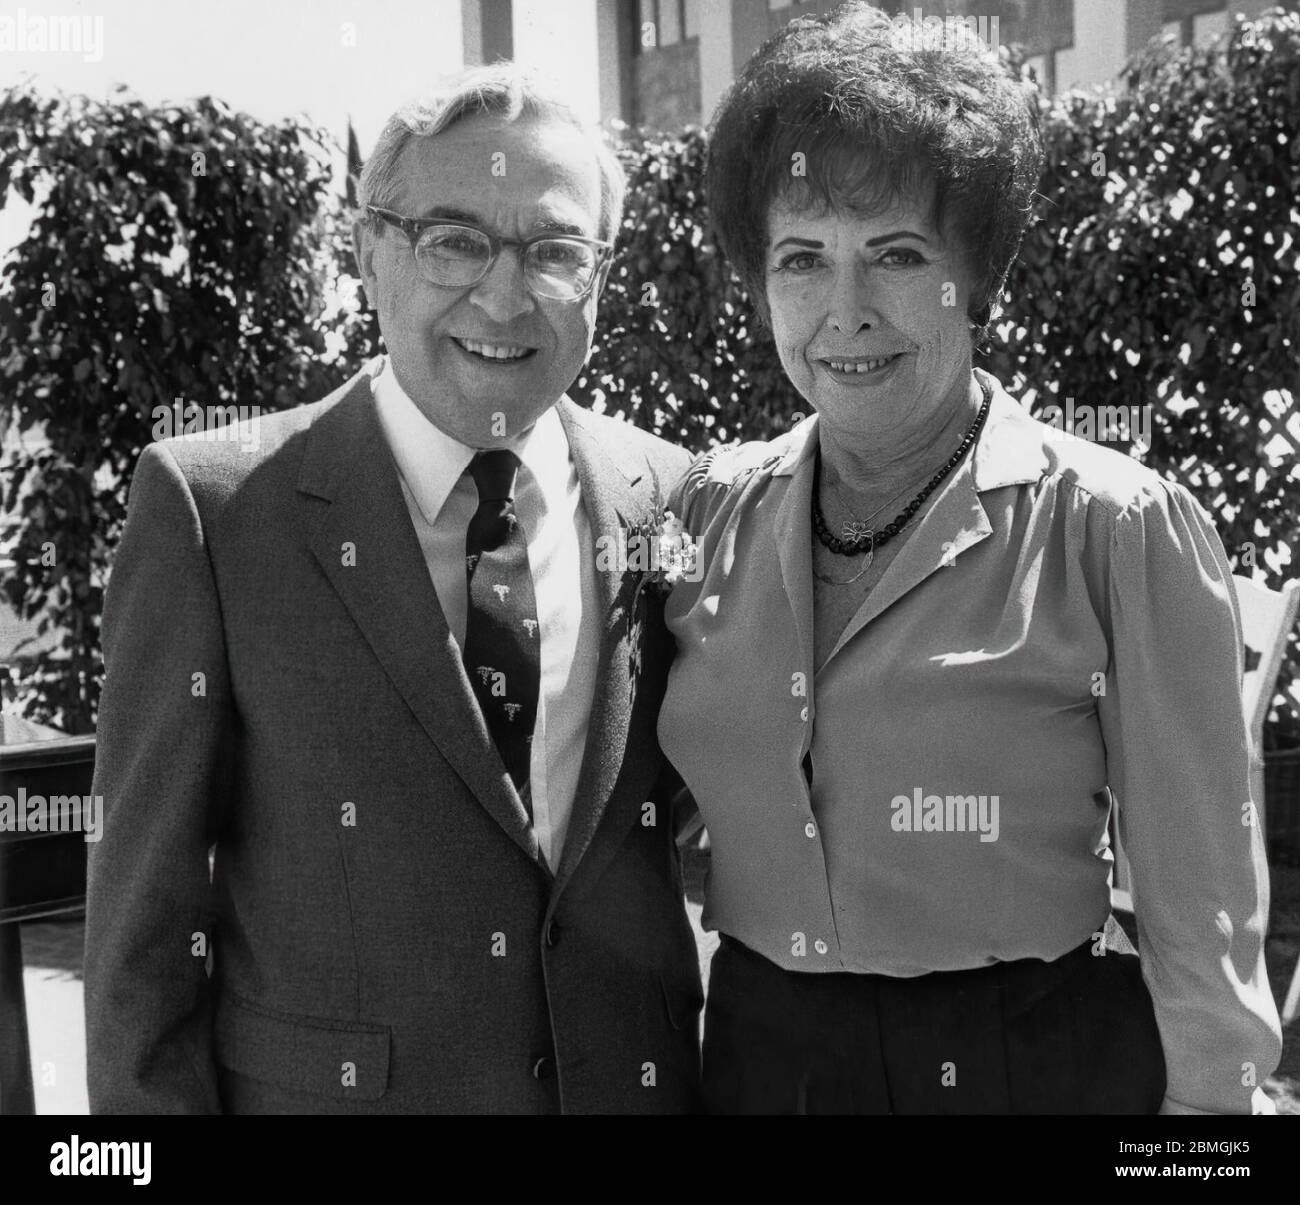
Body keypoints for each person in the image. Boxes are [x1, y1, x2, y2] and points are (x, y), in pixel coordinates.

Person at [660, 2, 1281, 1114]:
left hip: (1024, 1065)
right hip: (761, 1061)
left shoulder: (1114, 527)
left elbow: (1203, 901)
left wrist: (1207, 1125)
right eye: (802, 258)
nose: (843, 309)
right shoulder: (704, 513)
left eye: (896, 254)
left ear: (977, 278)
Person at [84, 65, 701, 1114]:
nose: (503, 296)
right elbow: (143, 933)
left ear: (600, 276)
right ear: (371, 252)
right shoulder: (217, 512)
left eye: (553, 251)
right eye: (454, 239)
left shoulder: (667, 499)